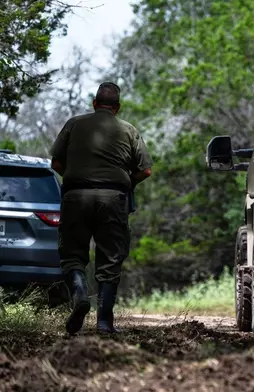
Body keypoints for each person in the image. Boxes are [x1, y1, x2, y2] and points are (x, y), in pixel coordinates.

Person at [50, 82, 153, 335]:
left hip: (76, 196)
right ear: (117, 108)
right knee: (110, 259)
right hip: (113, 199)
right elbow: (146, 170)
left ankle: (80, 294)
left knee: (72, 254)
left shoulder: (74, 124)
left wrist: (77, 180)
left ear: (94, 103)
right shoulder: (129, 130)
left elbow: (55, 162)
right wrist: (125, 182)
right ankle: (104, 323)